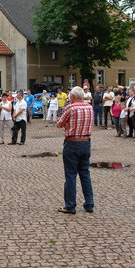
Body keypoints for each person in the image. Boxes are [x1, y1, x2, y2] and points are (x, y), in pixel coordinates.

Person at [56, 86, 94, 215]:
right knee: (85, 174)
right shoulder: (90, 108)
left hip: (72, 142)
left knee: (71, 175)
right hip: (86, 142)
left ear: (72, 97)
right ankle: (89, 204)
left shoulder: (70, 108)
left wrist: (67, 125)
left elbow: (59, 123)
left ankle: (70, 205)